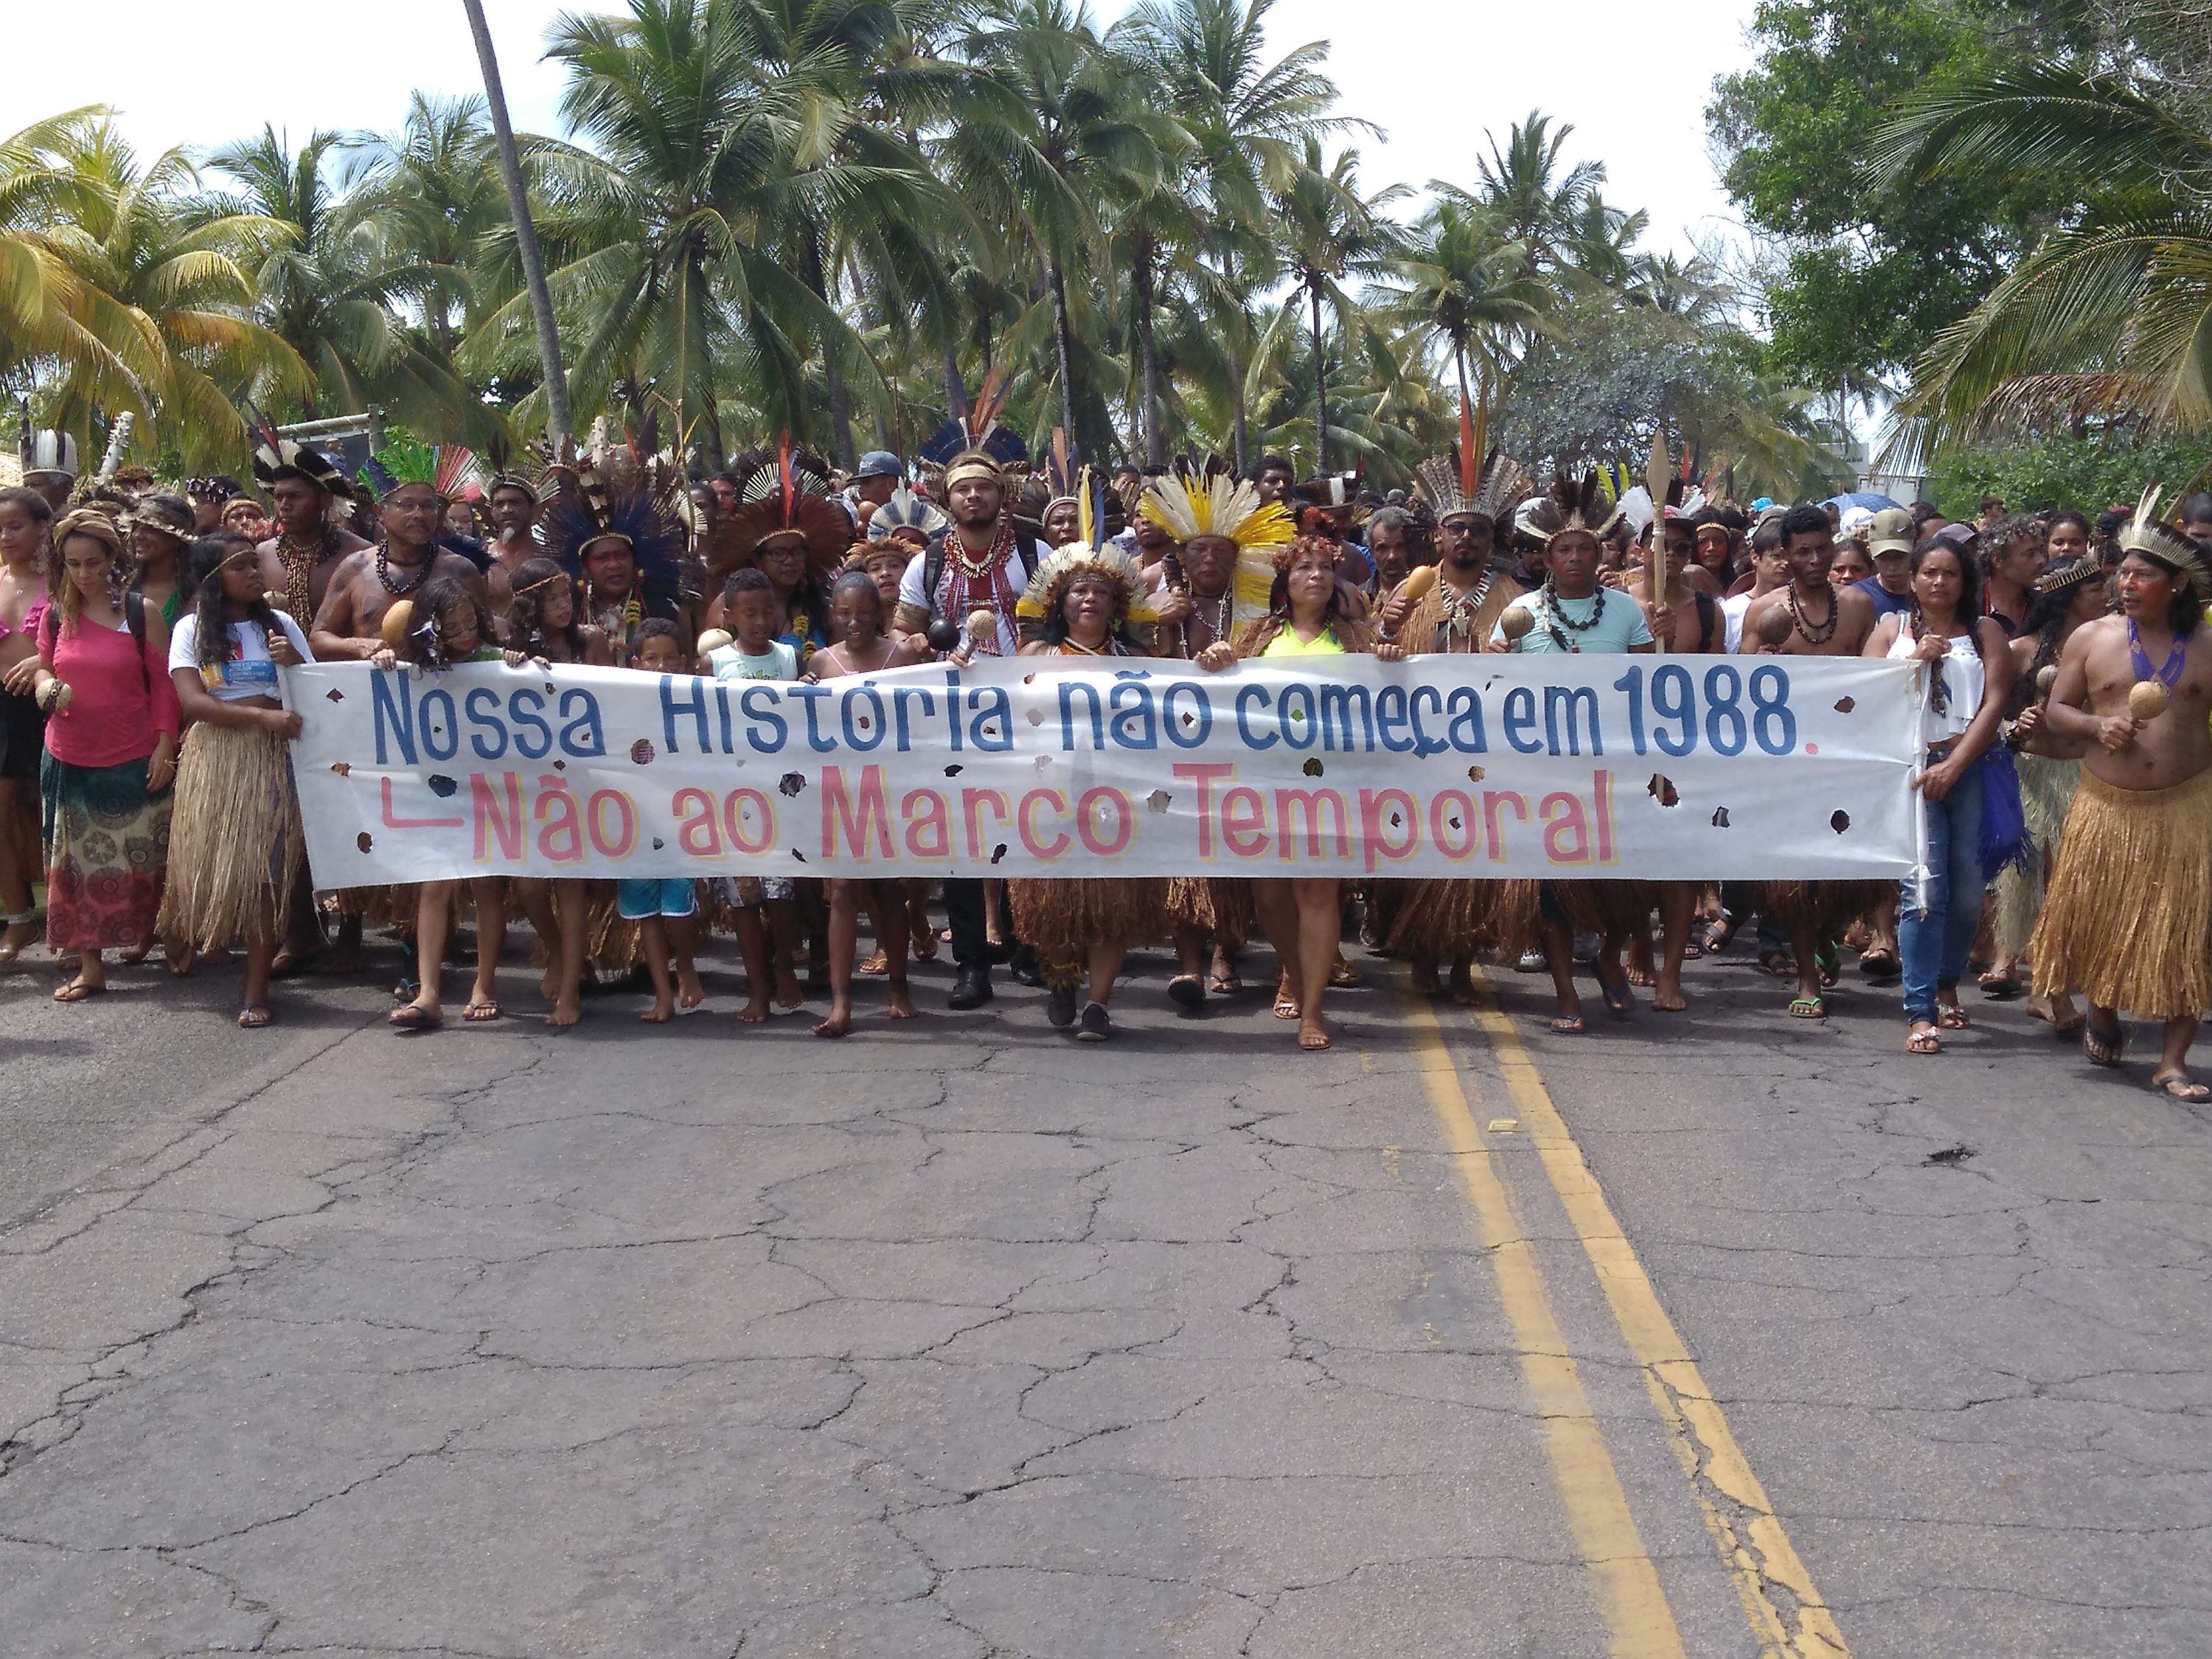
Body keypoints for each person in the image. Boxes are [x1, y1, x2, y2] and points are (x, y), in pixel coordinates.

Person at [2029, 493, 2212, 1099]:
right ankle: (2102, 1009)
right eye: (2123, 572)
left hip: (2189, 808)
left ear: (2179, 582)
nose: (2126, 583)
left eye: (2143, 574)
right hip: (2108, 807)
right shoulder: (2093, 637)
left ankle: (2172, 1061)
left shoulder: (2208, 646)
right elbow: (2056, 709)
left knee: (2189, 930)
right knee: (2102, 925)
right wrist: (2094, 726)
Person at [1197, 535, 1403, 1050]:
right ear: (1284, 583)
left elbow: (1388, 693)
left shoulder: (1358, 636)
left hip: (1333, 781)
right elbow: (1219, 689)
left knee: (1317, 890)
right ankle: (1293, 969)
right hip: (1266, 779)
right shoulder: (1254, 637)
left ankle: (1314, 1009)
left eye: (1324, 569)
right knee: (1268, 895)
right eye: (1303, 569)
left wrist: (1388, 657)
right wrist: (1218, 658)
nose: (1316, 576)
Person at [1488, 477, 1657, 1032]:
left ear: (1603, 552)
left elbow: (1653, 685)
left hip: (1614, 767)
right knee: (1553, 886)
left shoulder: (1628, 611)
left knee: (1628, 877)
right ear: (1547, 557)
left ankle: (1610, 954)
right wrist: (1494, 657)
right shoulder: (1519, 614)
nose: (1577, 557)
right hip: (1545, 770)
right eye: (1565, 549)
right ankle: (1564, 992)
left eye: (1587, 547)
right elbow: (1491, 686)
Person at [893, 450, 1048, 1008]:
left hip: (1027, 714)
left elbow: (1055, 624)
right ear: (948, 499)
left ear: (1000, 495)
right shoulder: (927, 563)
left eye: (984, 487)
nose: (974, 497)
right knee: (962, 837)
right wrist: (917, 647)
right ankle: (972, 966)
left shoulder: (1035, 553)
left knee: (1028, 829)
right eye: (963, 490)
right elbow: (904, 635)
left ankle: (1028, 948)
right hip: (952, 719)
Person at [1377, 450, 1532, 999]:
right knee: (1421, 854)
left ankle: (1464, 961)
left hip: (1487, 750)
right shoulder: (1407, 593)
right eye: (1456, 528)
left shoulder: (1517, 598)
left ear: (1493, 542)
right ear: (1438, 538)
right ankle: (1421, 955)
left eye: (1478, 530)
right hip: (1420, 748)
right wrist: (1387, 633)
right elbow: (1373, 662)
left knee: (1478, 860)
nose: (1466, 538)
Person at [1139, 469, 1295, 1001]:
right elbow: (1142, 674)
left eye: (1220, 552)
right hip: (1174, 748)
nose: (1209, 560)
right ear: (1181, 558)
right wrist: (1162, 624)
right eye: (1199, 551)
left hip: (1240, 749)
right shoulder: (1158, 606)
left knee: (1236, 854)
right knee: (1183, 853)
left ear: (1235, 560)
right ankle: (1188, 963)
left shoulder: (1258, 611)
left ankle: (1228, 948)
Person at [1001, 546, 1169, 1040]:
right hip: (1049, 792)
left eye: (1100, 591)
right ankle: (1060, 977)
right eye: (1079, 590)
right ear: (1060, 602)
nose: (1090, 598)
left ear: (1117, 605)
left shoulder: (1139, 662)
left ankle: (1098, 1002)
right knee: (1055, 900)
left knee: (1112, 902)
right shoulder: (1034, 657)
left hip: (1118, 794)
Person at [1864, 540, 2014, 1055]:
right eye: (1929, 572)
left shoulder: (1985, 632)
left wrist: (1956, 764)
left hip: (1970, 763)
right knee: (1924, 891)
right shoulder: (1893, 631)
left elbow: (1995, 703)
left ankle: (1949, 978)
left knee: (1970, 891)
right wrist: (1912, 664)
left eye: (1950, 573)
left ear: (1964, 581)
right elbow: (1861, 695)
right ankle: (1921, 1008)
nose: (1939, 582)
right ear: (1913, 578)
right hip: (1911, 769)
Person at [22, 511, 178, 1001]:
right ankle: (91, 967)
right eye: (73, 564)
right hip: (69, 758)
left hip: (132, 753)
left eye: (93, 562)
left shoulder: (139, 612)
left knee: (147, 859)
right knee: (75, 869)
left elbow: (164, 686)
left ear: (114, 559)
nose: (84, 574)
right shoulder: (55, 614)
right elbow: (43, 669)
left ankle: (169, 934)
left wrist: (164, 743)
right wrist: (48, 687)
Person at [160, 534, 313, 1026]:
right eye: (240, 566)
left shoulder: (283, 626)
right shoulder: (190, 628)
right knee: (212, 864)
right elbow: (195, 704)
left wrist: (294, 664)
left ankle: (256, 988)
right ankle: (188, 936)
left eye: (255, 564)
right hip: (218, 761)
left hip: (273, 762)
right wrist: (262, 715)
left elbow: (320, 696)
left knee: (267, 874)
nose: (254, 573)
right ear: (212, 579)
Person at [1742, 504, 1885, 1016]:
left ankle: (1826, 935)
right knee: (1796, 878)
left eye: (1823, 548)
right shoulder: (1764, 613)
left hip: (1846, 756)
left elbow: (1876, 682)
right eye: (1803, 551)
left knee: (1846, 876)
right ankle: (1807, 977)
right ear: (1785, 554)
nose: (1815, 559)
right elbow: (1741, 687)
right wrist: (1760, 665)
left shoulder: (1859, 606)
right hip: (1789, 763)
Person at [372, 576, 523, 1031]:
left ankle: (484, 986)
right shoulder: (413, 667)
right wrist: (381, 657)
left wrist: (519, 663)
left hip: (492, 788)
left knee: (485, 885)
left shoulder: (495, 661)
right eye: (451, 627)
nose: (464, 633)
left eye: (469, 622)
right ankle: (429, 993)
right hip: (438, 788)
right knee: (435, 886)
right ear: (429, 629)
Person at [1986, 557, 2104, 1028]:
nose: (2108, 593)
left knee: (2072, 887)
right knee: (2036, 885)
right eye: (2097, 586)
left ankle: (2052, 987)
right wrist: (2018, 727)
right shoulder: (2023, 650)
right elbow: (1990, 717)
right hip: (2033, 776)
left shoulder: (2111, 647)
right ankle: (2049, 991)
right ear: (2071, 594)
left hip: (2088, 775)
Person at [806, 570, 925, 1037]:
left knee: (889, 891)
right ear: (832, 615)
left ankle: (899, 989)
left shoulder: (903, 656)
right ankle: (842, 1003)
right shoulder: (822, 661)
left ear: (881, 613)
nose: (854, 622)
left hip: (892, 789)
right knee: (841, 892)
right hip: (841, 791)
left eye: (863, 613)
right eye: (844, 613)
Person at [707, 568, 809, 1022]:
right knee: (744, 897)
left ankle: (784, 964)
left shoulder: (789, 658)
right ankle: (758, 985)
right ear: (729, 616)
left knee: (781, 894)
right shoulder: (716, 665)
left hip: (781, 795)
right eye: (749, 613)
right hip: (733, 795)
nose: (760, 621)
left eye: (768, 611)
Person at [0, 486, 54, 962]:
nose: (4, 535)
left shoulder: (63, 582)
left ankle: (64, 916)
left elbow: (88, 633)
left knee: (51, 816)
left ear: (41, 528)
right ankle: (19, 919)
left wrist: (42, 658)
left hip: (49, 702)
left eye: (14, 526)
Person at [252, 433, 369, 627]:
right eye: (279, 497)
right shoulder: (261, 556)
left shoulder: (360, 554)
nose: (284, 505)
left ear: (325, 501)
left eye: (295, 496)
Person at [125, 494, 198, 625]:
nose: (138, 535)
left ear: (177, 538)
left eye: (150, 529)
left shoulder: (193, 596)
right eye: (136, 527)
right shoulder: (122, 586)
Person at [481, 472, 545, 613]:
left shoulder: (549, 557)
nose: (507, 510)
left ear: (533, 509)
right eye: (499, 504)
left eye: (516, 502)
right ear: (491, 511)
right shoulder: (480, 560)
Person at [1979, 513, 2047, 636]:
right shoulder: (1968, 607)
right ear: (1998, 560)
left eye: (2042, 551)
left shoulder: (2045, 606)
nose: (2041, 560)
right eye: (2030, 554)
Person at [1852, 507, 1918, 620]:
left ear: (1915, 549)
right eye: (1884, 558)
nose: (1892, 567)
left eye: (1900, 557)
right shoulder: (1856, 597)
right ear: (1870, 552)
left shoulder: (1928, 595)